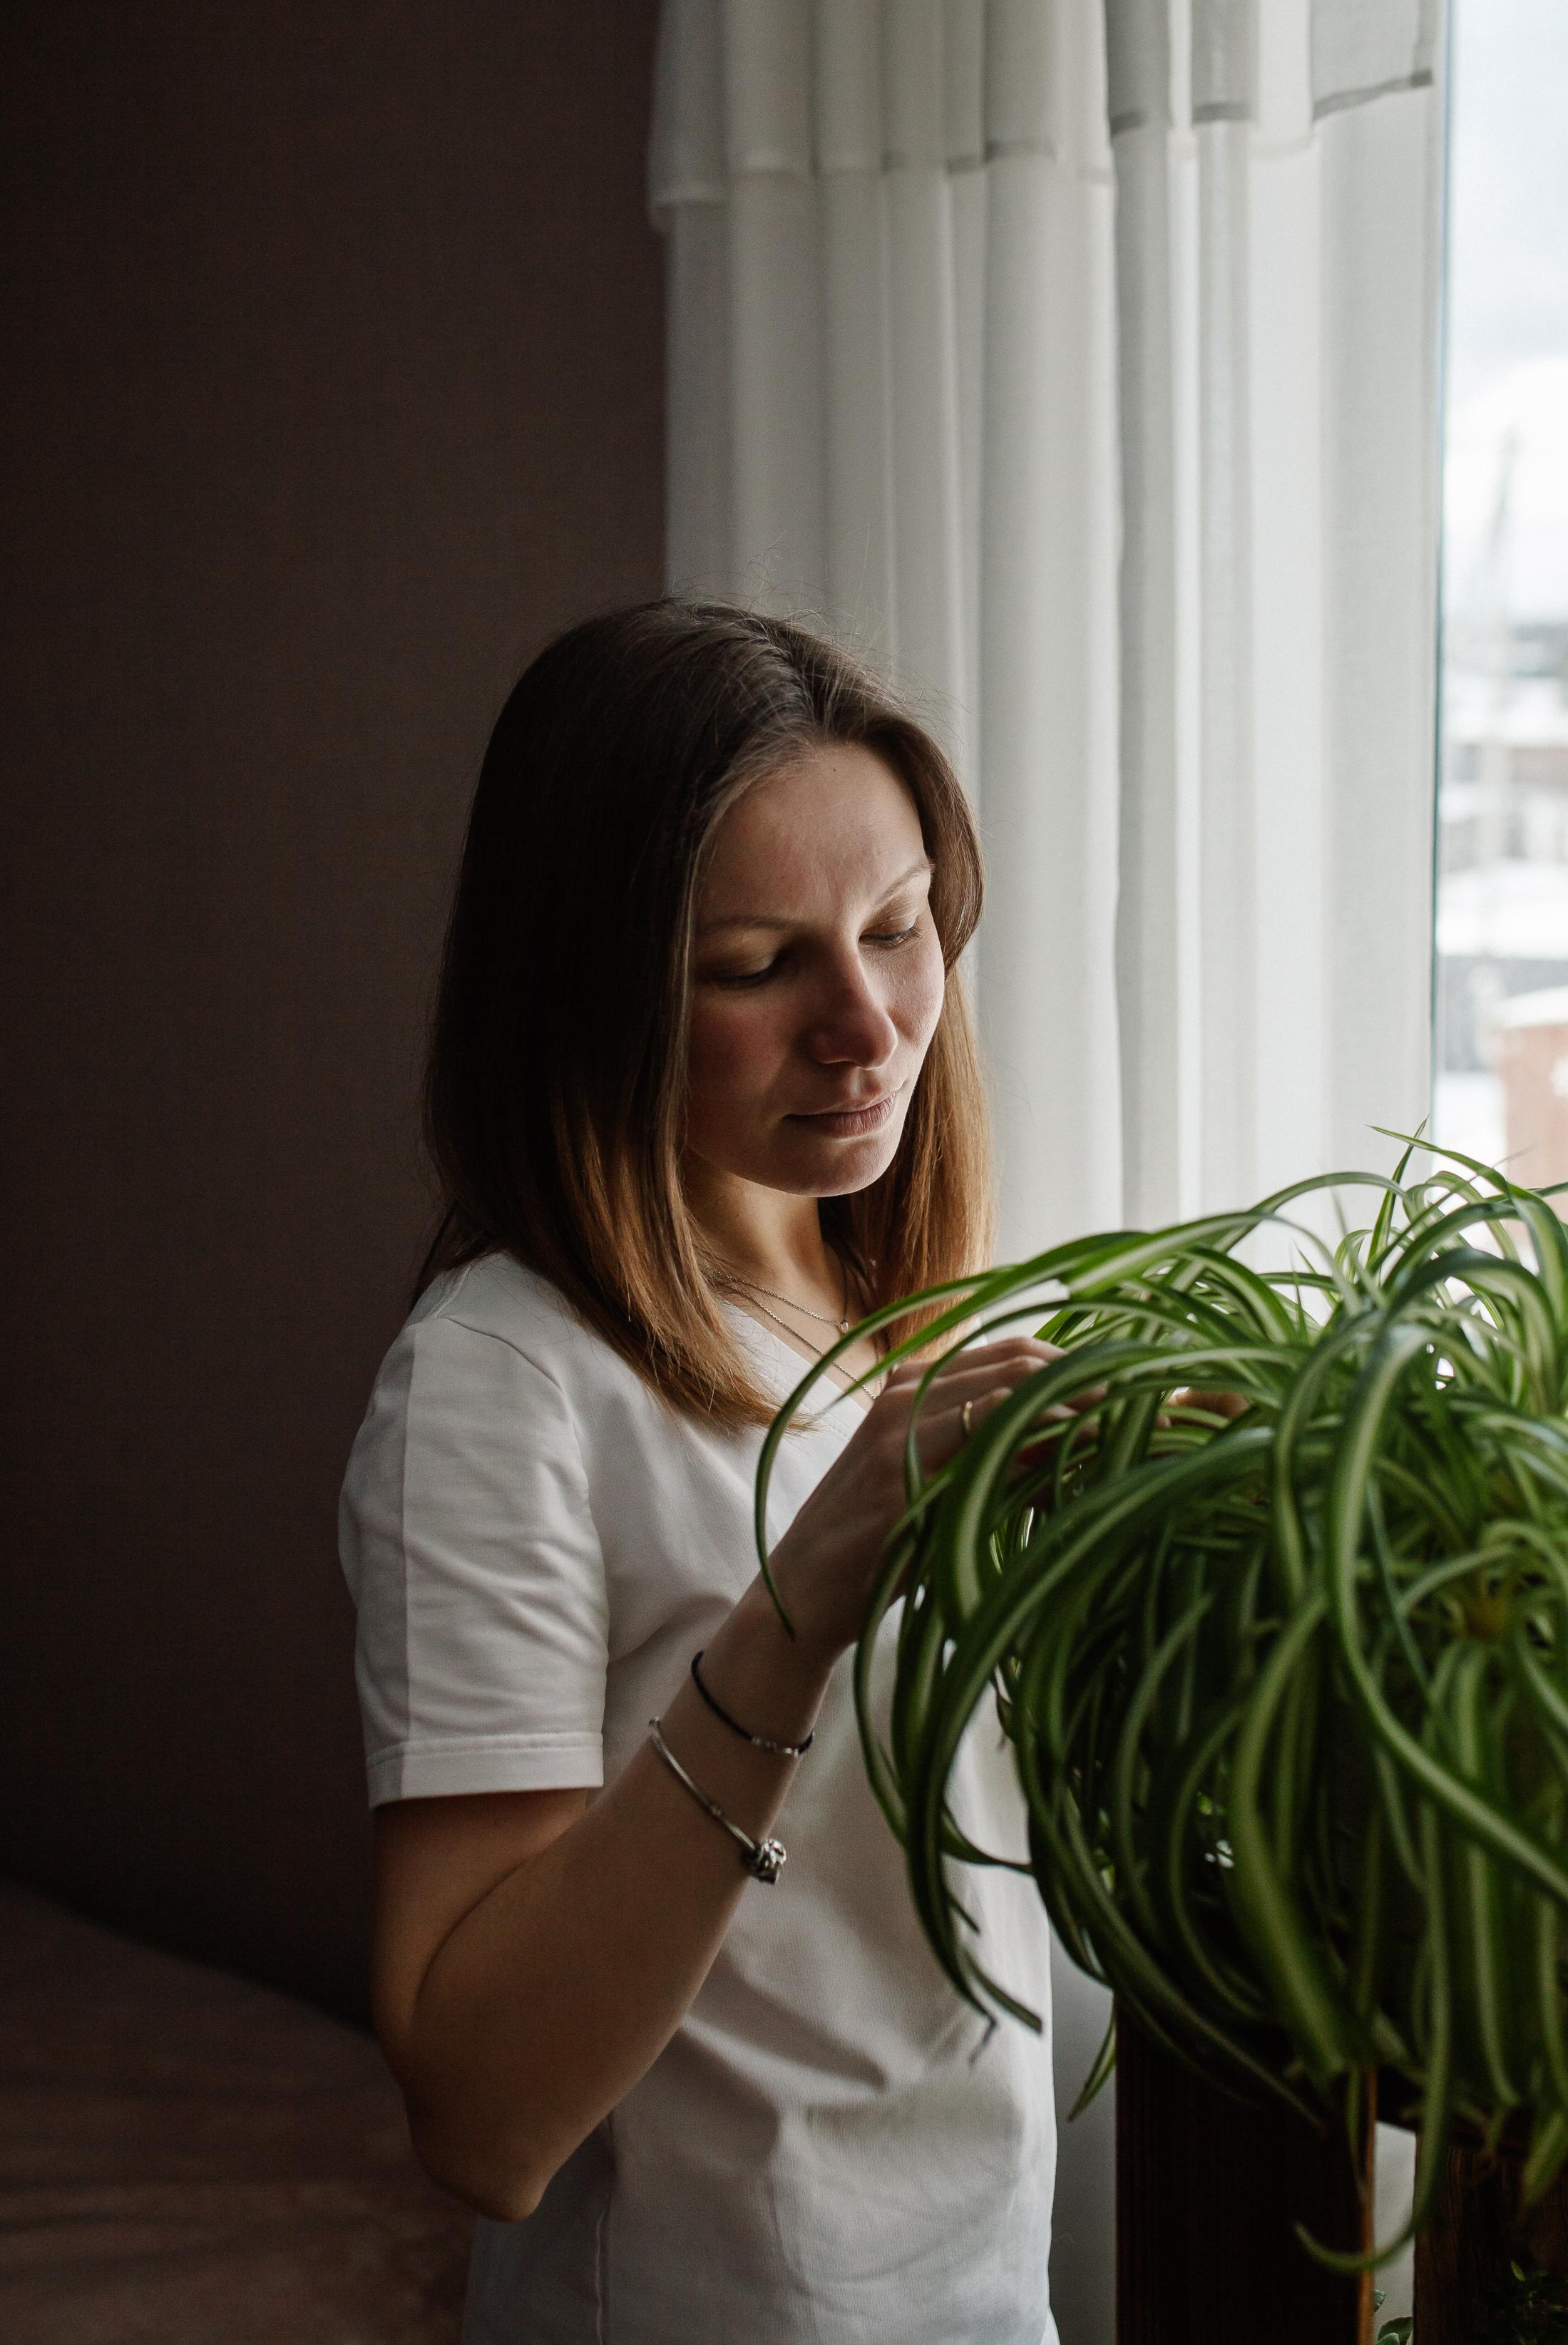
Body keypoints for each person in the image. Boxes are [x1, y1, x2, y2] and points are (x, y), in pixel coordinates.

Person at [339, 601, 1062, 2344]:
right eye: (756, 965)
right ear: (588, 996)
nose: (868, 1025)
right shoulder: (503, 1384)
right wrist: (796, 1607)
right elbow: (482, 2121)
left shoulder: (885, 1304)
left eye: (898, 929)